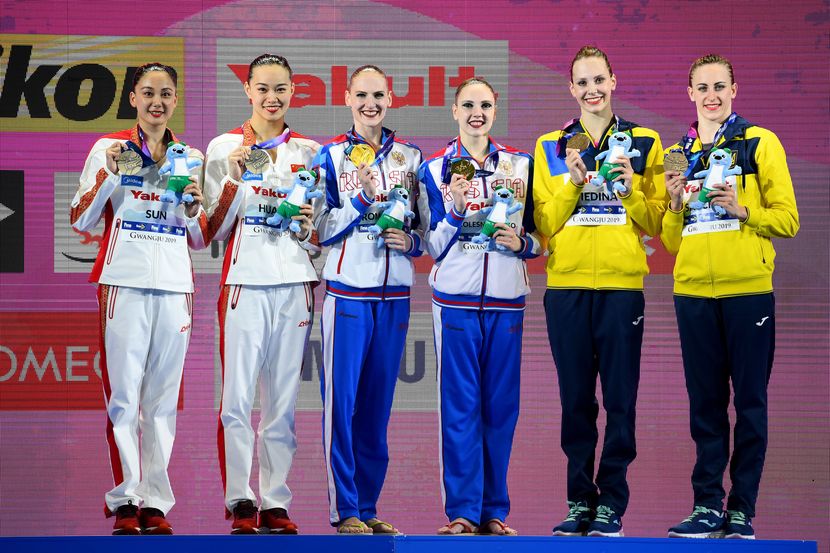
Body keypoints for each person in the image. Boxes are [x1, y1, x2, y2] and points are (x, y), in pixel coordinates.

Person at [662, 54, 799, 540]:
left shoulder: (760, 142)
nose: (711, 96)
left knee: (751, 403)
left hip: (747, 292)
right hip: (693, 293)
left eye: (719, 86)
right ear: (690, 94)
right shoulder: (676, 154)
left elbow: (788, 219)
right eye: (702, 88)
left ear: (734, 90)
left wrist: (744, 212)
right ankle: (706, 506)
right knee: (705, 405)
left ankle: (741, 510)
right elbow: (672, 240)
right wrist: (674, 204)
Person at [533, 45, 666, 537]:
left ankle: (610, 502)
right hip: (566, 287)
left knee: (620, 401)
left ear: (614, 81)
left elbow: (658, 221)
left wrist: (629, 191)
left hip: (621, 287)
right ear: (572, 89)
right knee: (575, 401)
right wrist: (572, 184)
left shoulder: (646, 141)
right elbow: (543, 222)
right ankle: (578, 501)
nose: (592, 90)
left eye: (599, 80)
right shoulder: (551, 145)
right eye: (583, 82)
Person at [70, 63, 207, 535]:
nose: (157, 102)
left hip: (175, 286)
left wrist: (193, 206)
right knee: (124, 397)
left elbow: (199, 237)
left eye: (165, 93)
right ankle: (127, 498)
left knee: (163, 401)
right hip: (123, 283)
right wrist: (111, 173)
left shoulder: (190, 157)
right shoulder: (108, 148)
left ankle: (155, 503)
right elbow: (80, 219)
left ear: (175, 100)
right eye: (148, 93)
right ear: (133, 98)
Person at [202, 54, 320, 535]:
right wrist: (233, 178)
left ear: (293, 92)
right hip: (244, 284)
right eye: (264, 88)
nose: (273, 98)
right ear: (248, 90)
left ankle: (274, 500)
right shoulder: (223, 147)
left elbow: (319, 233)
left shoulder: (310, 152)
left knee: (283, 403)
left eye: (281, 89)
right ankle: (240, 500)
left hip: (294, 284)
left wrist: (309, 230)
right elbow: (209, 228)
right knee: (236, 398)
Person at [418, 77, 540, 536]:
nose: (477, 113)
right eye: (468, 105)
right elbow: (431, 244)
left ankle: (494, 512)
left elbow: (540, 235)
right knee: (460, 408)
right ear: (454, 111)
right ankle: (463, 512)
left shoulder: (521, 165)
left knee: (501, 410)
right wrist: (454, 210)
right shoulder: (434, 168)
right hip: (455, 301)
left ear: (495, 109)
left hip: (507, 301)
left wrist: (523, 244)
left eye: (485, 105)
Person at [313, 65, 423, 535]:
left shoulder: (411, 157)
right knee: (342, 407)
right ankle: (345, 509)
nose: (370, 104)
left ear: (390, 98)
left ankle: (369, 505)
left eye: (378, 95)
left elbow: (426, 227)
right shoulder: (331, 156)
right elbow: (319, 230)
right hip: (347, 294)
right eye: (361, 95)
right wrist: (360, 202)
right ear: (347, 98)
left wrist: (411, 243)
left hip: (395, 295)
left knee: (377, 409)